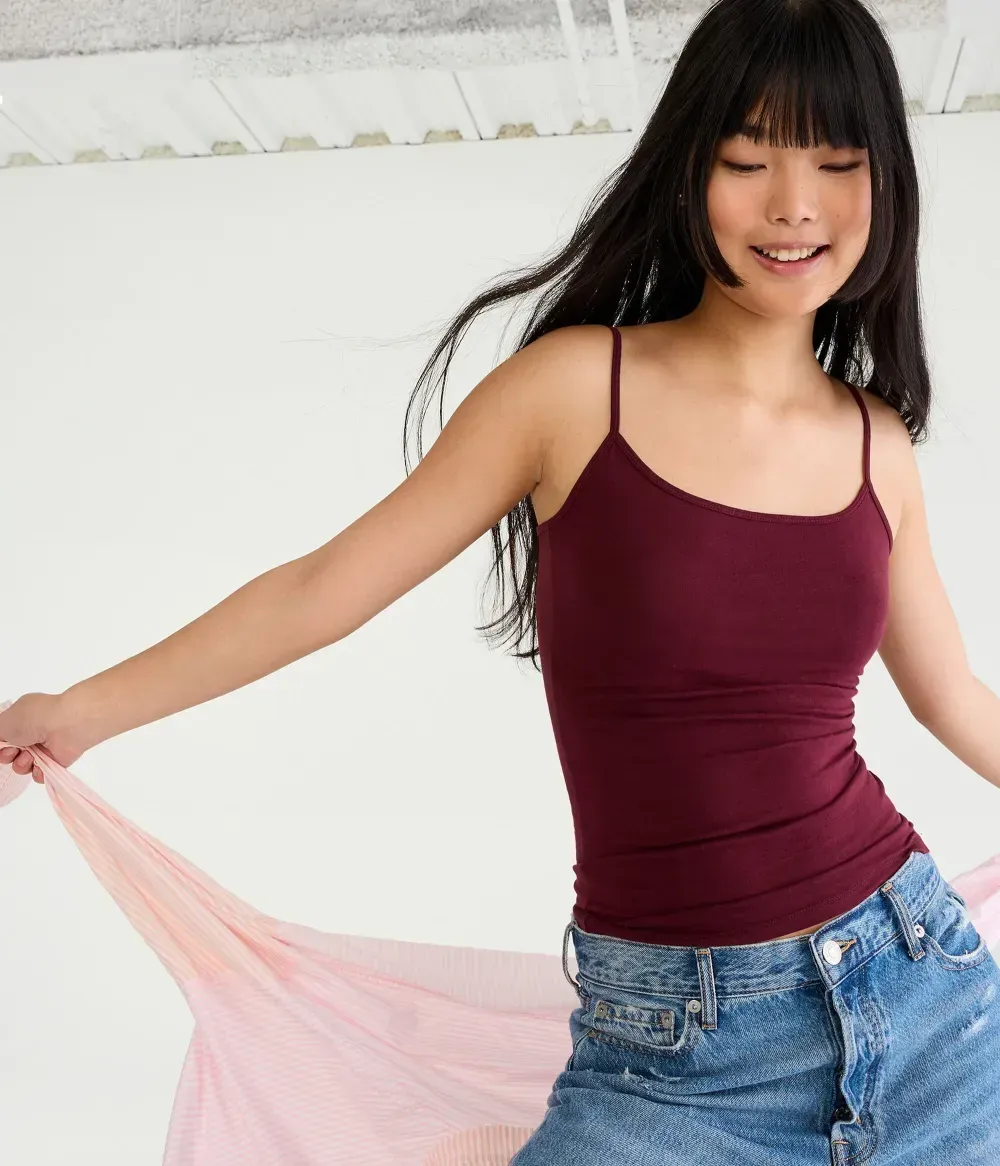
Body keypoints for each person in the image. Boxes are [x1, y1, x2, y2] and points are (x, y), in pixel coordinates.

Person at [3, 0, 999, 1160]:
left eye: (836, 162)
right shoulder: (572, 391)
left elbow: (949, 697)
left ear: (885, 185)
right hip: (668, 1051)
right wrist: (76, 711)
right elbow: (323, 587)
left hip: (920, 991)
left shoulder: (875, 443)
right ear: (690, 170)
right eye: (748, 160)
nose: (793, 204)